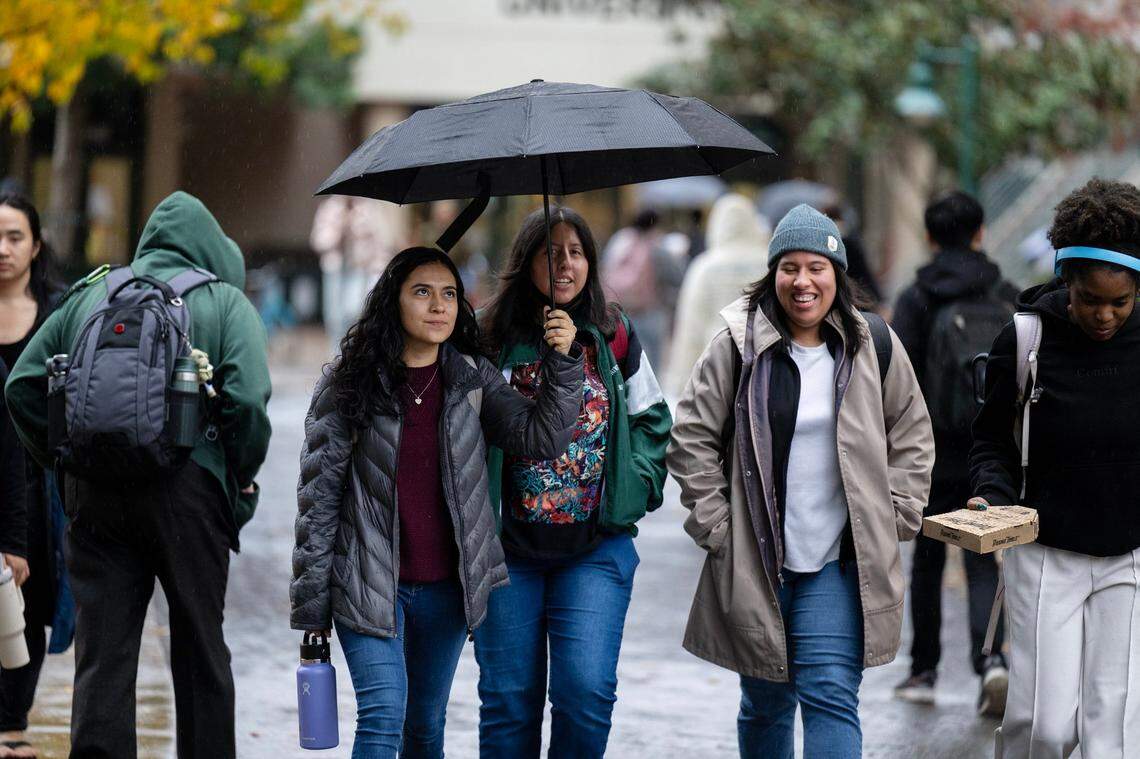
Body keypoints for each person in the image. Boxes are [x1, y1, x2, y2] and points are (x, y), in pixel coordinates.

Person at [5, 191, 272, 758]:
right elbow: (247, 401)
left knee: (104, 655)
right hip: (190, 496)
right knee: (200, 650)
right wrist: (238, 478)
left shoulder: (89, 294)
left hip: (95, 497)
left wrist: (62, 460)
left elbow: (22, 387)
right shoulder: (225, 303)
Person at [290, 246, 584, 759]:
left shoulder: (473, 379)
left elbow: (542, 439)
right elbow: (318, 503)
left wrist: (562, 363)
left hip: (446, 592)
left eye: (448, 294)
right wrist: (312, 607)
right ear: (393, 303)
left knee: (424, 728)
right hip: (368, 583)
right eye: (422, 292)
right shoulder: (350, 383)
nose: (438, 306)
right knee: (383, 714)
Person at [668, 204, 934, 758]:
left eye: (817, 266)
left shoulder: (873, 344)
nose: (803, 281)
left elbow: (911, 428)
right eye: (790, 267)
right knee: (766, 701)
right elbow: (690, 436)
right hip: (757, 561)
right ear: (774, 274)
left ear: (837, 274)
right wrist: (717, 527)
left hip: (838, 564)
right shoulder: (738, 344)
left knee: (831, 695)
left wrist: (902, 509)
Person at [475, 206, 672, 758]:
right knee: (508, 702)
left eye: (576, 252)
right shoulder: (490, 336)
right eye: (550, 251)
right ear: (526, 261)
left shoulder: (613, 333)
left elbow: (653, 417)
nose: (565, 264)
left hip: (594, 550)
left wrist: (635, 485)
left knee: (586, 694)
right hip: (507, 555)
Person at [969, 178, 1140, 758]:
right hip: (1044, 552)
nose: (1105, 315)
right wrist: (991, 494)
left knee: (1108, 731)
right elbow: (989, 439)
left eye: (1120, 302)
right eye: (1091, 299)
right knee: (1045, 727)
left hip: (1130, 557)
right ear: (1067, 279)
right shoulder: (1025, 339)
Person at [891, 191, 1017, 715]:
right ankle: (991, 661)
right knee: (984, 555)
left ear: (928, 236)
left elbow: (895, 380)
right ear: (980, 232)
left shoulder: (917, 298)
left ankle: (923, 669)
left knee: (926, 560)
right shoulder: (1004, 292)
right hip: (989, 452)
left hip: (929, 451)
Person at [0, 193, 68, 759]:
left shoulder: (58, 311)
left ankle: (13, 719)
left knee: (31, 602)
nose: (3, 249)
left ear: (37, 245)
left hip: (40, 482)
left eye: (15, 237)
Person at [665, 193, 771, 397]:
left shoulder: (705, 267)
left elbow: (690, 328)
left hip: (714, 363)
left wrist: (679, 385)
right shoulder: (768, 263)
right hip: (763, 360)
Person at [311, 195, 404, 356]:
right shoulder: (330, 207)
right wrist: (339, 227)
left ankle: (351, 351)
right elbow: (318, 241)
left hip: (360, 268)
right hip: (335, 268)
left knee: (354, 310)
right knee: (333, 315)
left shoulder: (369, 207)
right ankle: (335, 355)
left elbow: (382, 239)